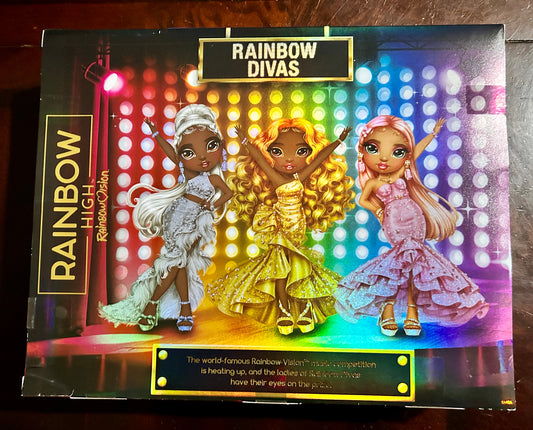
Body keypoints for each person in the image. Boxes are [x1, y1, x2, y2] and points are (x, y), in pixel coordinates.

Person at [334, 115, 488, 336]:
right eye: (373, 149)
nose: (384, 157)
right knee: (398, 264)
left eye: (396, 152)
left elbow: (415, 152)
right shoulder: (373, 182)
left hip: (414, 217)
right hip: (394, 221)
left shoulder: (400, 172)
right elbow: (363, 200)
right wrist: (379, 209)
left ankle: (412, 310)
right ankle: (388, 308)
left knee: (416, 263)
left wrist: (433, 133)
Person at [207, 118, 355, 335]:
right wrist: (245, 141)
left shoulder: (300, 176)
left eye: (301, 151)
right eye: (277, 151)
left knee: (299, 266)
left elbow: (320, 159)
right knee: (280, 270)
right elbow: (259, 159)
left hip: (296, 226)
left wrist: (338, 141)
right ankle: (284, 310)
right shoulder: (275, 177)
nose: (289, 158)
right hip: (280, 227)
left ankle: (304, 307)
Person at [99, 104, 233, 332]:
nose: (202, 156)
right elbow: (172, 153)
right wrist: (155, 133)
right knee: (179, 263)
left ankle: (153, 305)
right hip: (176, 215)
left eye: (211, 146)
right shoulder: (188, 171)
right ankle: (183, 309)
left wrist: (211, 205)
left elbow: (229, 193)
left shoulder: (214, 179)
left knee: (178, 261)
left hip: (197, 221)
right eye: (189, 152)